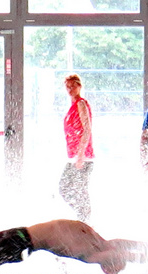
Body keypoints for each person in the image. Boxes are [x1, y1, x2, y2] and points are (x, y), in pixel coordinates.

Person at [0, 219, 144, 274]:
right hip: (19, 244)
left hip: (16, 233)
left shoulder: (96, 238)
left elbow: (129, 245)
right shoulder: (89, 254)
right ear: (108, 265)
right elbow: (125, 252)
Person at [60, 74, 94, 221]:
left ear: (79, 86)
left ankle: (85, 219)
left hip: (83, 156)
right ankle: (83, 217)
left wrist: (80, 154)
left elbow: (87, 129)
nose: (70, 89)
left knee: (74, 188)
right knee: (66, 187)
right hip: (74, 155)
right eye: (67, 86)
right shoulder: (72, 106)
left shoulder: (80, 104)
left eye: (73, 86)